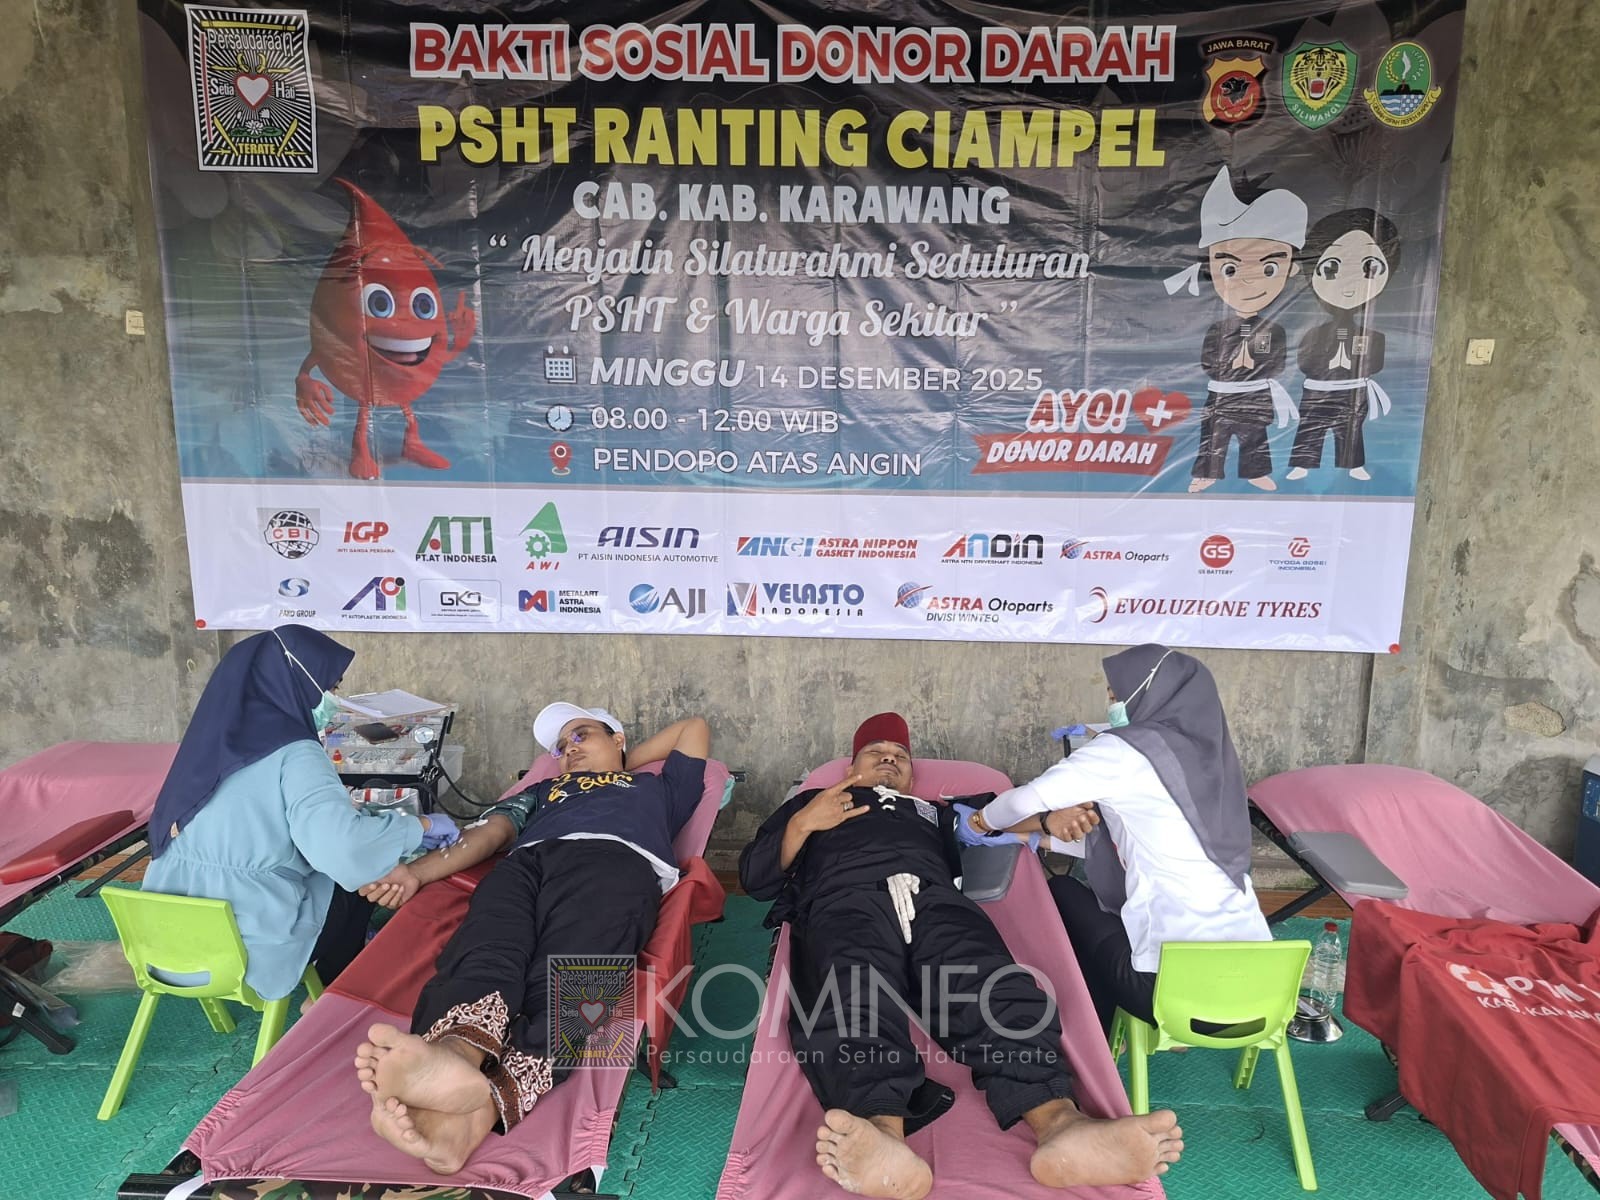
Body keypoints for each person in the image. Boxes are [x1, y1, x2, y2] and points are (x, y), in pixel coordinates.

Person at [740, 713, 1182, 1199]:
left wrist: (1047, 821)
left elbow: (993, 820)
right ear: (851, 766)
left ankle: (1061, 1124)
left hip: (935, 902)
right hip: (845, 901)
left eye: (900, 755)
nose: (890, 759)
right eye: (876, 752)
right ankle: (882, 1132)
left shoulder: (934, 811)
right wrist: (805, 822)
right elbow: (756, 879)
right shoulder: (811, 803)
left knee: (995, 987)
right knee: (852, 993)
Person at [352, 703, 710, 1174]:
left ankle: (478, 1112)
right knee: (485, 949)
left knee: (575, 976)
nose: (568, 750)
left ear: (618, 738)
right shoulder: (543, 791)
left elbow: (693, 728)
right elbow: (490, 832)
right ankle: (455, 1053)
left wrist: (620, 764)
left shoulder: (658, 788)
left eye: (581, 735)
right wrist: (415, 874)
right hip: (525, 865)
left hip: (615, 864)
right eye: (560, 748)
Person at [143, 625, 457, 1001]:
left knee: (352, 860)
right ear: (295, 684)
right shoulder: (296, 752)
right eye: (332, 687)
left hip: (164, 948)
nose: (334, 701)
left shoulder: (203, 749)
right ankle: (330, 996)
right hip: (244, 953)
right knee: (358, 879)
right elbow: (344, 850)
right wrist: (417, 826)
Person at [967, 645, 1272, 1033]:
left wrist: (979, 822)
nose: (1111, 706)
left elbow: (1023, 800)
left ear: (1147, 694)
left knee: (1064, 892)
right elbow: (1150, 843)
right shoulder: (1214, 758)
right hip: (1262, 995)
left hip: (1170, 997)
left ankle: (1095, 1032)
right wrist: (1038, 837)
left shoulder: (1125, 749)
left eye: (1115, 696)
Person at [1286, 207, 1402, 483]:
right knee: (1311, 427)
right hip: (1318, 389)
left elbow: (1375, 364)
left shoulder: (1373, 336)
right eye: (1332, 268)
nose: (1349, 283)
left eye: (1369, 268)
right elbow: (1303, 362)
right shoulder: (1313, 333)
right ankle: (1303, 463)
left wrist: (1352, 367)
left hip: (1353, 389)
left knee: (1351, 429)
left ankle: (1353, 465)